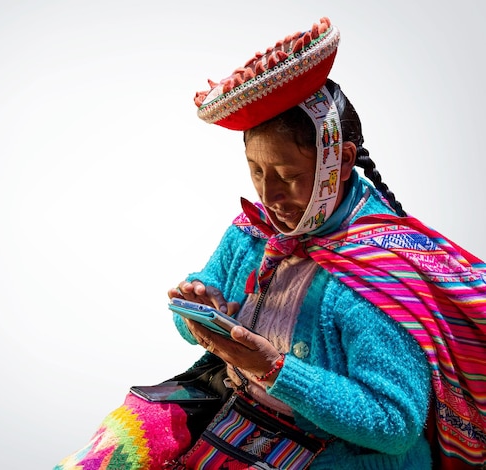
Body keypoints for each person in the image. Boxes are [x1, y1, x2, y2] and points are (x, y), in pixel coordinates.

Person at [54, 17, 486, 469]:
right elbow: (202, 308)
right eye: (257, 172)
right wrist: (201, 307)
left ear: (340, 161)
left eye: (289, 176)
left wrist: (275, 369)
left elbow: (394, 424)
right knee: (115, 452)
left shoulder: (382, 277)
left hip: (339, 451)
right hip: (237, 403)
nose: (269, 195)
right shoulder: (254, 230)